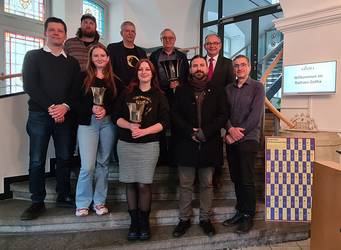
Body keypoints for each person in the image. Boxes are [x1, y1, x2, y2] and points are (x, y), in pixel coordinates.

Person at [21, 17, 80, 220]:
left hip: (65, 115)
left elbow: (75, 90)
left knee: (64, 157)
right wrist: (51, 107)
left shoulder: (71, 63)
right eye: (52, 30)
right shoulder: (33, 56)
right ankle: (37, 201)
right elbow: (30, 86)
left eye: (60, 30)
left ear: (65, 34)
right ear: (45, 32)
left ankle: (63, 195)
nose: (56, 33)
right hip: (39, 115)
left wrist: (64, 107)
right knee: (37, 160)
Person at [171, 55, 228, 237]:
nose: (198, 68)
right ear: (190, 69)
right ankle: (184, 219)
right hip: (186, 144)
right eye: (195, 65)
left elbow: (223, 114)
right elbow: (174, 115)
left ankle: (205, 219)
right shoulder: (180, 91)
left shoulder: (218, 90)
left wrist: (205, 132)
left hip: (209, 143)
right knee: (185, 184)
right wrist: (190, 131)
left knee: (207, 184)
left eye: (201, 65)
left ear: (206, 68)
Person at [113, 59, 169, 240]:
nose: (144, 72)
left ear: (152, 73)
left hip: (149, 145)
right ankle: (133, 222)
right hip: (126, 144)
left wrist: (144, 131)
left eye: (147, 69)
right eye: (141, 69)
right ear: (136, 72)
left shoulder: (159, 95)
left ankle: (144, 222)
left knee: (144, 184)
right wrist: (130, 126)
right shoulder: (127, 93)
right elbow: (116, 117)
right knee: (130, 183)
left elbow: (164, 123)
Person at [73, 44, 117, 217]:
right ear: (91, 58)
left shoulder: (114, 79)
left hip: (107, 123)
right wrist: (91, 109)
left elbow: (117, 103)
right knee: (87, 166)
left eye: (102, 55)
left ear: (107, 58)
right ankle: (82, 203)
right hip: (88, 123)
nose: (99, 58)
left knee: (103, 164)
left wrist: (106, 109)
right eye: (96, 55)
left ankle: (99, 202)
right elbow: (74, 101)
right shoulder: (82, 77)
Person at [222, 55, 265, 234]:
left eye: (243, 65)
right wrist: (229, 130)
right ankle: (240, 211)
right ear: (233, 69)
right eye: (236, 66)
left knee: (246, 178)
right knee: (236, 177)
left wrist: (237, 133)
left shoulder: (257, 87)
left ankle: (248, 215)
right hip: (231, 138)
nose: (239, 68)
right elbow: (223, 113)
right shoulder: (228, 89)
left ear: (249, 67)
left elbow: (255, 117)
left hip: (249, 139)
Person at [150, 28, 189, 166]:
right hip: (160, 93)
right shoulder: (154, 56)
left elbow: (186, 77)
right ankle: (162, 156)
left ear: (175, 40)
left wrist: (179, 84)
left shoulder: (182, 57)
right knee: (160, 123)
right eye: (164, 38)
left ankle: (174, 156)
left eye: (170, 38)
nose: (167, 40)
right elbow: (151, 75)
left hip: (177, 95)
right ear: (161, 40)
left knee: (176, 124)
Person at [204, 33, 235, 187]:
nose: (212, 46)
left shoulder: (228, 63)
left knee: (216, 144)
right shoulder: (199, 62)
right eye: (209, 43)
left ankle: (215, 178)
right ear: (205, 46)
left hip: (219, 110)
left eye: (215, 43)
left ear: (220, 45)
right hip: (201, 111)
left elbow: (230, 88)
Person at [107, 21, 147, 91]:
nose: (130, 33)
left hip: (138, 88)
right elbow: (109, 70)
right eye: (127, 31)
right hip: (119, 88)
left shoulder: (142, 52)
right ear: (121, 33)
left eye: (133, 31)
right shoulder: (112, 48)